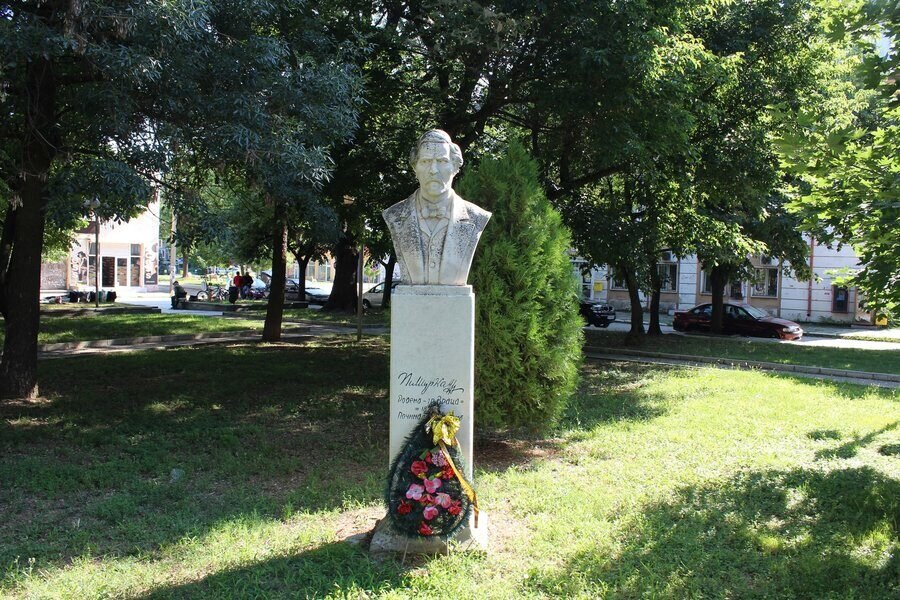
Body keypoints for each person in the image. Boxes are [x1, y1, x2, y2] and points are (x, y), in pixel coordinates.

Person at [382, 129, 491, 286]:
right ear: (415, 167)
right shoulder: (394, 215)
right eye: (426, 161)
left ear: (455, 167)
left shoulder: (476, 217)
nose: (433, 170)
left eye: (442, 161)